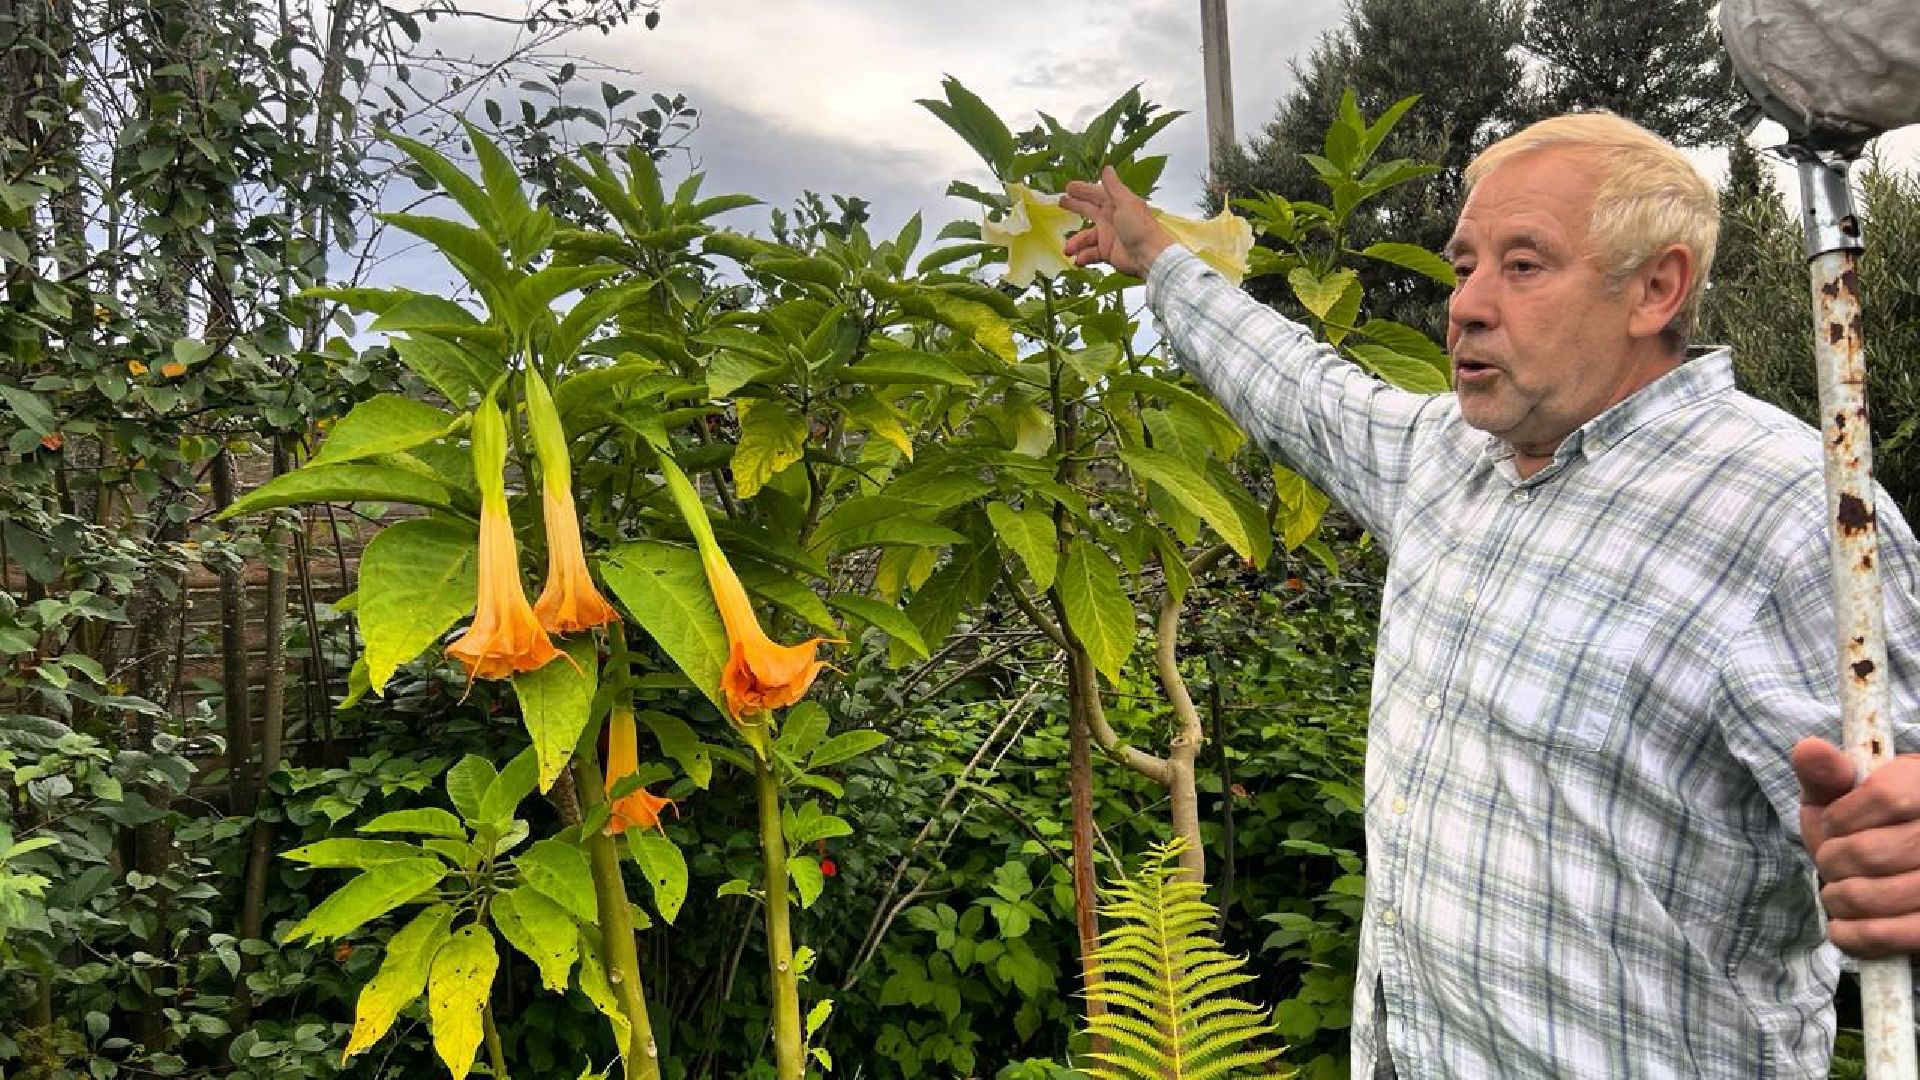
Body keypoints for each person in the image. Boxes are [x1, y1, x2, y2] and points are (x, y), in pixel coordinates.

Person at [1060, 112, 1920, 1077]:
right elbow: (1299, 388)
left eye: (1522, 265)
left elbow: (1902, 832)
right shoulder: (1450, 459)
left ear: (1656, 288)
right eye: (1465, 264)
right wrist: (1160, 258)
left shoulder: (1792, 520)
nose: (1464, 304)